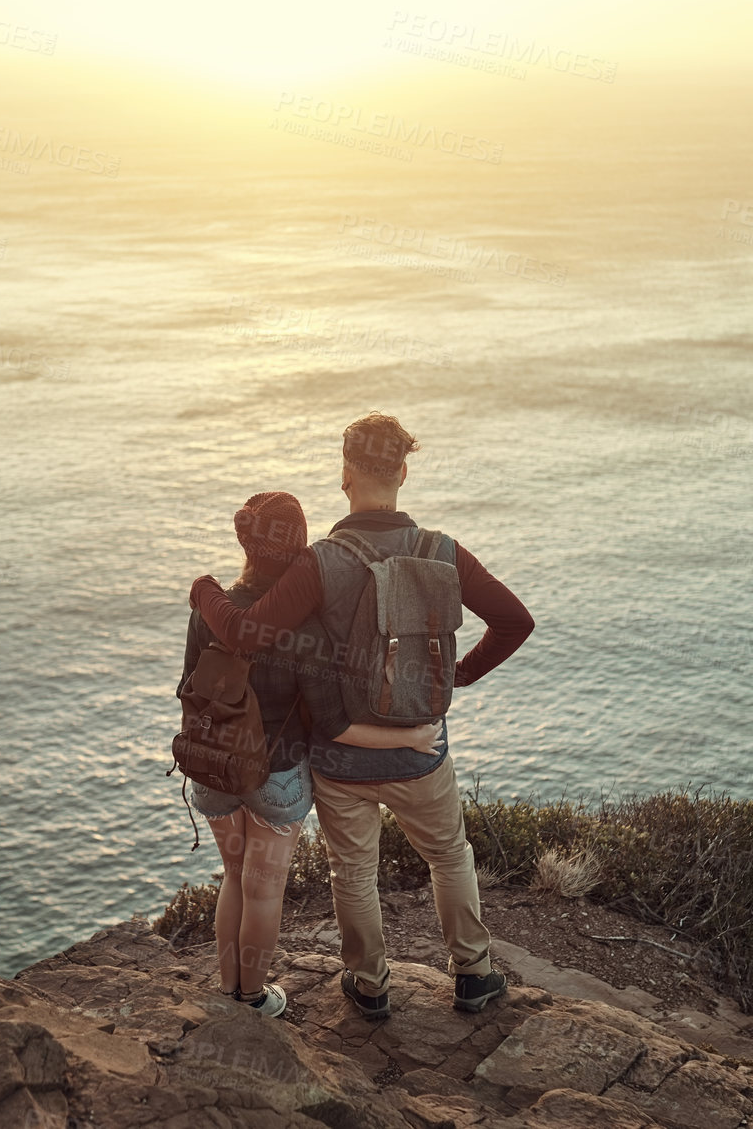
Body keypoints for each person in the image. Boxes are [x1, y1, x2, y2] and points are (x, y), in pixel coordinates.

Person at [189, 414, 534, 1017]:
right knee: (450, 855)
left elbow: (247, 633)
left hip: (340, 755)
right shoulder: (444, 552)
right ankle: (474, 975)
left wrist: (204, 591)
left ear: (345, 476)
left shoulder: (320, 562)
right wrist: (460, 674)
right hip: (420, 748)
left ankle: (370, 985)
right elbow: (514, 622)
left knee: (352, 871)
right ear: (403, 471)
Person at [181, 490, 443, 1018]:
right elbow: (336, 725)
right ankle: (252, 999)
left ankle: (228, 992)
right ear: (300, 545)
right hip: (276, 775)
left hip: (213, 766)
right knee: (263, 890)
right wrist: (409, 739)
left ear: (245, 542)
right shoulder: (305, 625)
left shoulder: (211, 610)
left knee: (233, 878)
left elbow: (189, 687)